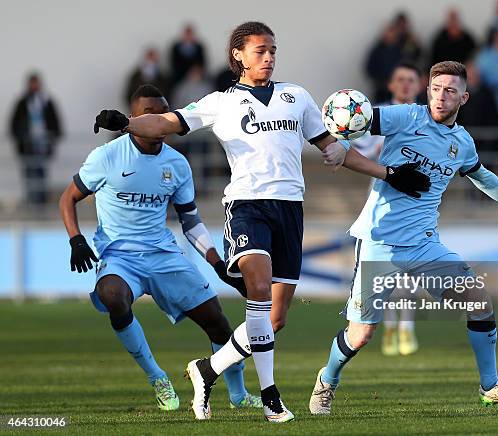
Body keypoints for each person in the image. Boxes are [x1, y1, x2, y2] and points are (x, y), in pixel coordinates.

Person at [92, 22, 430, 423]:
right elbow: (166, 123)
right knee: (257, 286)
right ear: (238, 55)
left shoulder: (297, 97)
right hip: (248, 206)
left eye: (272, 50)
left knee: (275, 319)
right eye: (259, 50)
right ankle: (271, 396)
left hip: (290, 209)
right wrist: (126, 124)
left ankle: (208, 369)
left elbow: (333, 148)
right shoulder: (220, 102)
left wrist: (389, 174)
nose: (268, 56)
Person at [309, 61, 498, 416]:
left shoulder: (461, 143)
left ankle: (491, 386)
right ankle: (327, 381)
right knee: (360, 336)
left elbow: (482, 177)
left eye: (450, 91)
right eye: (435, 88)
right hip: (379, 242)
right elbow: (353, 128)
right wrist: (373, 164)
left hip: (423, 243)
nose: (440, 96)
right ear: (427, 90)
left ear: (463, 97)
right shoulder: (406, 117)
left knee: (478, 299)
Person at [59, 85, 262, 414]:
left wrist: (216, 261)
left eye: (162, 114)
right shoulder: (107, 157)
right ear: (133, 118)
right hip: (120, 257)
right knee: (113, 296)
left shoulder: (177, 164)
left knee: (218, 322)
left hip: (163, 256)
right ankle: (157, 377)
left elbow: (191, 221)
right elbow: (68, 197)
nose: (158, 121)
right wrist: (75, 238)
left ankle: (238, 395)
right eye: (149, 114)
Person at [352, 62, 423, 357]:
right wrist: (378, 154)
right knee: (384, 275)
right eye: (400, 80)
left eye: (411, 80)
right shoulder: (378, 117)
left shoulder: (426, 118)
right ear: (391, 86)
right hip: (383, 204)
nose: (406, 85)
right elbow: (356, 150)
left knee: (409, 273)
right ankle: (389, 326)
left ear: (418, 86)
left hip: (415, 204)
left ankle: (406, 328)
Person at [10, 73, 62, 205]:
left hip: (42, 145)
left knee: (41, 174)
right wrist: (21, 138)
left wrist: (52, 138)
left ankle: (41, 201)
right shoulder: (22, 103)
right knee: (29, 174)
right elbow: (14, 124)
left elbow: (56, 123)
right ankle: (31, 200)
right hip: (28, 146)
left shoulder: (46, 102)